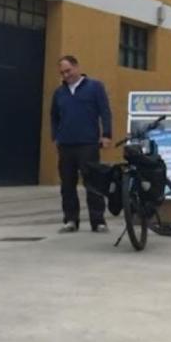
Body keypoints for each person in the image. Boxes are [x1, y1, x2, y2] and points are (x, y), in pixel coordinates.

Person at [50, 55, 112, 233]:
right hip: (66, 145)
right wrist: (56, 137)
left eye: (68, 71)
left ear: (77, 67)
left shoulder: (94, 87)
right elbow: (54, 116)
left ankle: (98, 221)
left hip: (88, 143)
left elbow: (105, 111)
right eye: (62, 73)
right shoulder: (59, 93)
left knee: (93, 183)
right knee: (67, 184)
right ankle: (70, 220)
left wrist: (106, 134)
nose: (66, 75)